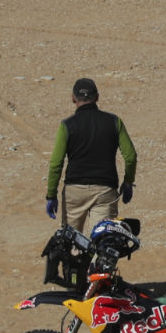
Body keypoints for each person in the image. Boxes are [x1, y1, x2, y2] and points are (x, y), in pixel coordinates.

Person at [45, 78, 138, 232]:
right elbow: (130, 156)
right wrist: (128, 182)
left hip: (74, 192)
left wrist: (51, 195)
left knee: (72, 245)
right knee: (101, 243)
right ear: (97, 97)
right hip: (105, 191)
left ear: (73, 98)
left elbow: (56, 163)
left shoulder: (67, 125)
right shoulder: (114, 122)